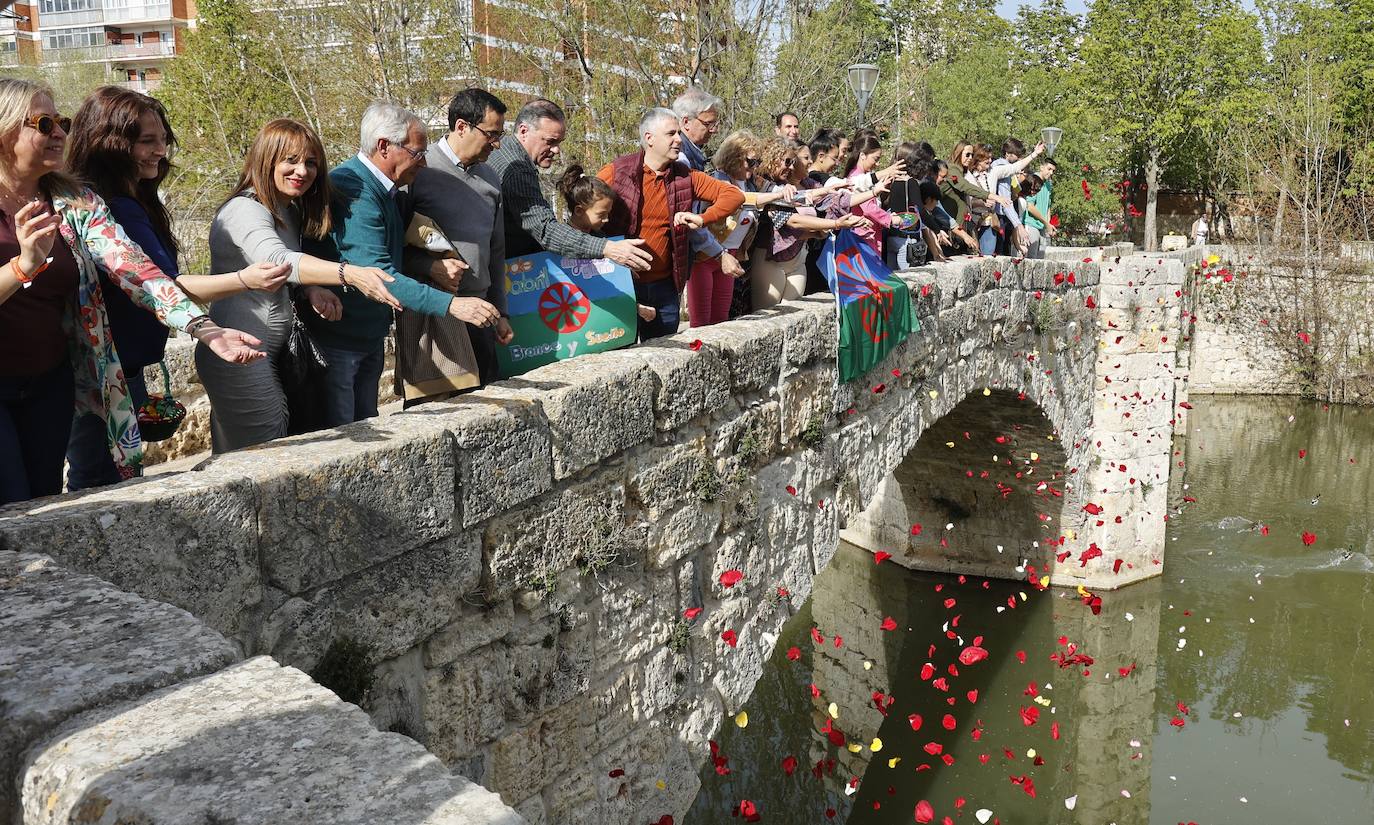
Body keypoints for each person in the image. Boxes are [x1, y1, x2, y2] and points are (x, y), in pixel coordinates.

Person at [0, 78, 263, 504]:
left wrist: (204, 328)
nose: (60, 134)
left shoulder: (75, 201)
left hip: (50, 383)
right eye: (44, 123)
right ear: (4, 129)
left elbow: (136, 270)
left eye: (62, 123)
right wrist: (23, 266)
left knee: (42, 501)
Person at [62, 87, 278, 481]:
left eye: (163, 139)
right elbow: (164, 284)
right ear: (110, 144)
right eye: (148, 141)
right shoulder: (115, 208)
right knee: (100, 480)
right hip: (102, 372)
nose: (161, 150)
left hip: (122, 369)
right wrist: (245, 280)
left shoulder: (132, 201)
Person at [193, 118, 404, 452]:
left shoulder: (285, 209)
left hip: (268, 353)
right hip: (239, 354)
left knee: (251, 454)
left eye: (310, 163)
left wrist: (308, 290)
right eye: (290, 161)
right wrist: (349, 273)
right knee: (267, 454)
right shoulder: (245, 210)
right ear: (266, 160)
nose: (302, 171)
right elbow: (277, 258)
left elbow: (276, 276)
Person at [308, 100, 500, 426]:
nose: (424, 163)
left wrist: (430, 266)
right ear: (384, 147)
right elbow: (379, 274)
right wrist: (453, 306)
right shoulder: (354, 189)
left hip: (365, 337)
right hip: (340, 342)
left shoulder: (389, 190)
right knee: (346, 442)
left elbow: (398, 252)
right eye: (417, 153)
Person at [596, 107, 744, 341]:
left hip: (664, 288)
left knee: (665, 355)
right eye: (671, 134)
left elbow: (734, 196)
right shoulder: (617, 172)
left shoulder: (685, 176)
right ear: (649, 139)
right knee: (618, 358)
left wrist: (702, 218)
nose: (679, 140)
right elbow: (585, 207)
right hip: (620, 286)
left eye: (679, 133)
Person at [402, 88, 513, 391]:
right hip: (433, 317)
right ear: (462, 126)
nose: (497, 143)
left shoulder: (490, 177)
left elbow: (496, 251)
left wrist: (500, 312)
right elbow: (391, 248)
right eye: (491, 134)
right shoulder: (418, 169)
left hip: (481, 315)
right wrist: (428, 266)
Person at [488, 98, 651, 271]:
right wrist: (607, 248)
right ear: (523, 131)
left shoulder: (503, 150)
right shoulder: (518, 170)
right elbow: (545, 230)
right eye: (550, 141)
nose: (556, 150)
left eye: (559, 143)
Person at [753, 138, 868, 308]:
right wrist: (834, 224)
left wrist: (873, 191)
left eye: (793, 162)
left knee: (793, 315)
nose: (791, 166)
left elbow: (828, 199)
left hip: (798, 258)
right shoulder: (764, 185)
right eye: (788, 162)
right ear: (773, 159)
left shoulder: (803, 185)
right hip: (771, 259)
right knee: (768, 318)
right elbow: (793, 221)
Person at [556, 165, 657, 324]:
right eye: (601, 215)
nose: (607, 220)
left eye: (608, 213)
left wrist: (623, 274)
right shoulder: (559, 241)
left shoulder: (602, 237)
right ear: (579, 211)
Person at [672, 87, 745, 307]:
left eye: (715, 123)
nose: (713, 130)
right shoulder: (682, 159)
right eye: (708, 124)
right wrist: (719, 253)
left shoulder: (693, 154)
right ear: (686, 122)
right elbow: (690, 217)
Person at [940, 141, 1009, 245]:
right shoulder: (952, 170)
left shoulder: (962, 172)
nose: (970, 158)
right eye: (967, 154)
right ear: (958, 153)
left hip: (960, 228)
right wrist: (993, 196)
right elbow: (966, 187)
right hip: (947, 229)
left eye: (972, 155)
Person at [989, 137, 1045, 255]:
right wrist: (1019, 226)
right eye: (1017, 155)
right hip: (997, 218)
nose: (1019, 159)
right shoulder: (1001, 168)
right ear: (1008, 154)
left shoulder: (1002, 168)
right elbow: (1006, 204)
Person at [841, 133, 893, 255]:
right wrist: (890, 219)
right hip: (863, 236)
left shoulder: (862, 176)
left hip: (869, 234)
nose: (877, 164)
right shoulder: (857, 178)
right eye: (876, 159)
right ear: (863, 155)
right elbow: (869, 208)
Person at [1022, 157, 1057, 253]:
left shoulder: (1048, 184)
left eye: (1053, 171)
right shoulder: (1034, 180)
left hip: (1042, 227)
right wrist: (1046, 223)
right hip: (1031, 224)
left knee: (1040, 260)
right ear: (1041, 167)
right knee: (1030, 259)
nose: (1051, 173)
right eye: (1049, 169)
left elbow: (1048, 206)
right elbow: (1030, 207)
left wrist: (1048, 224)